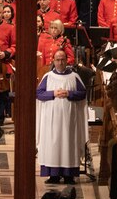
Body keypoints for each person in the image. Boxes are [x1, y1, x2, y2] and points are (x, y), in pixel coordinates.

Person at [36, 50, 88, 184]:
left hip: (69, 121)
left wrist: (69, 94)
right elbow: (39, 94)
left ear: (67, 60)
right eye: (57, 60)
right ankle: (53, 175)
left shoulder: (74, 76)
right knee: (52, 145)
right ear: (53, 60)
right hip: (51, 121)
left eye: (62, 59)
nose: (60, 62)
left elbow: (82, 93)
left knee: (68, 145)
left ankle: (68, 175)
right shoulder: (48, 76)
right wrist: (53, 93)